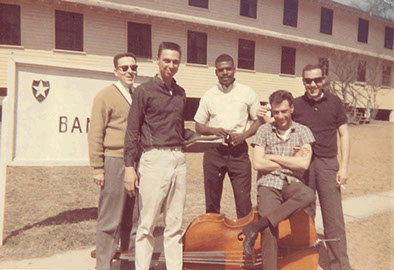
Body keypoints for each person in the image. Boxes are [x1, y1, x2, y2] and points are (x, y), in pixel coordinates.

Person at [123, 42, 195, 270]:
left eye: (175, 61)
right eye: (167, 60)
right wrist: (129, 167)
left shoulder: (181, 92)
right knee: (147, 225)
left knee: (174, 225)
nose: (171, 65)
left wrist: (207, 136)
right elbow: (132, 130)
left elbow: (178, 128)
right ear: (157, 60)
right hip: (154, 160)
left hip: (178, 160)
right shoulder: (144, 90)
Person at [241, 90, 316, 270]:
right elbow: (258, 163)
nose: (280, 116)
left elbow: (304, 164)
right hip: (268, 184)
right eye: (276, 112)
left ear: (291, 108)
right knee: (269, 230)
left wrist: (272, 156)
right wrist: (291, 161)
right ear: (271, 112)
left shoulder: (303, 131)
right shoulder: (264, 130)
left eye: (284, 111)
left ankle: (257, 225)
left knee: (308, 195)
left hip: (293, 184)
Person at [292, 64, 353, 270]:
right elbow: (282, 125)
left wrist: (343, 167)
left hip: (328, 164)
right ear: (303, 82)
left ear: (324, 80)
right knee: (305, 215)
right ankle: (305, 263)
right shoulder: (296, 104)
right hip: (304, 165)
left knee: (333, 218)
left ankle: (340, 265)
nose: (313, 84)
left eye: (317, 80)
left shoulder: (335, 102)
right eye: (308, 81)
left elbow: (344, 134)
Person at [194, 54, 265, 219]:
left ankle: (245, 241)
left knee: (243, 201)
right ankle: (213, 238)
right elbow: (198, 125)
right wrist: (214, 131)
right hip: (214, 151)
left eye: (228, 69)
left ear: (234, 70)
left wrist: (244, 135)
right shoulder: (209, 95)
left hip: (238, 152)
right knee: (212, 201)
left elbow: (259, 120)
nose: (225, 73)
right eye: (221, 70)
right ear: (216, 72)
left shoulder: (247, 92)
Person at [88, 52, 139, 270]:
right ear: (116, 71)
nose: (130, 71)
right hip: (114, 161)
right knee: (110, 219)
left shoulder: (137, 94)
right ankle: (103, 266)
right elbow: (95, 133)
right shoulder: (105, 95)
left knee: (134, 216)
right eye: (124, 68)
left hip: (136, 163)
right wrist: (98, 168)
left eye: (133, 67)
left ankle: (128, 263)